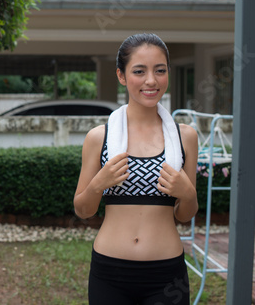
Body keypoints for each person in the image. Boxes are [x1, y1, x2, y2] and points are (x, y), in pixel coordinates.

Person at [73, 33, 198, 305]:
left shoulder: (184, 137)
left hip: (166, 275)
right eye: (139, 71)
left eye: (160, 70)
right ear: (121, 75)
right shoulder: (99, 138)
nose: (151, 80)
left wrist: (188, 195)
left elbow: (185, 215)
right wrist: (99, 183)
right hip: (110, 273)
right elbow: (83, 210)